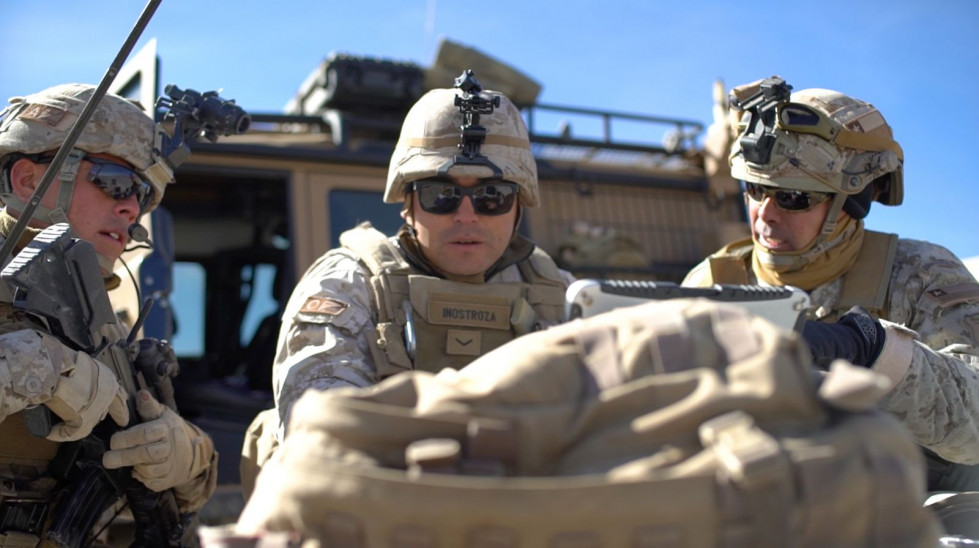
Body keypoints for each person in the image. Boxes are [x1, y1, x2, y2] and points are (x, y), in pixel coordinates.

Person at [240, 73, 573, 492]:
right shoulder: (352, 284)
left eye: (492, 196)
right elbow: (326, 439)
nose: (466, 216)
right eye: (441, 195)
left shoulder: (557, 293)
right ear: (408, 203)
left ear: (517, 206)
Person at [683, 76, 979, 492]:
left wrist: (872, 352)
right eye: (755, 188)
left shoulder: (919, 273)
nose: (765, 214)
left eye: (793, 197)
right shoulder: (711, 281)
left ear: (853, 201)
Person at [0, 83, 217, 543]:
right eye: (114, 182)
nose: (131, 206)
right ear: (28, 181)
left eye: (140, 191)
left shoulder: (101, 325)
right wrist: (32, 366)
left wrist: (186, 455)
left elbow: (187, 497)